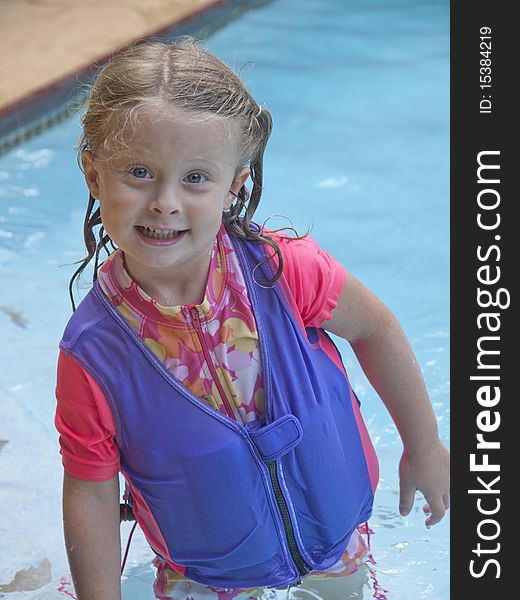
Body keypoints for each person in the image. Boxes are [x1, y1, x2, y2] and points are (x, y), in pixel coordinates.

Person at [54, 37, 450, 600]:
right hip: (204, 576)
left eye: (195, 178)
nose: (166, 201)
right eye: (139, 172)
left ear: (234, 184)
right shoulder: (93, 354)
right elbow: (90, 488)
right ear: (95, 176)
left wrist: (425, 445)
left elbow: (376, 328)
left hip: (334, 547)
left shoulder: (286, 272)